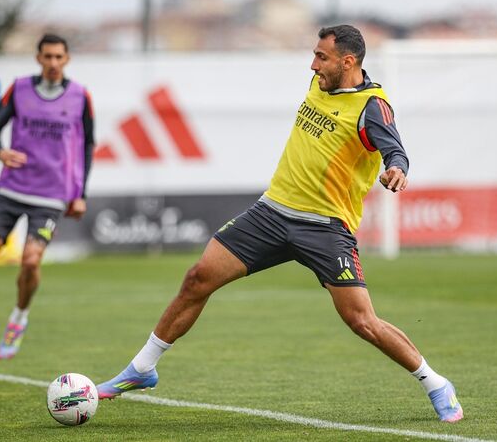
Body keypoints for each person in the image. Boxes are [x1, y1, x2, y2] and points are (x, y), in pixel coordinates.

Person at [96, 25, 463, 423]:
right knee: (197, 278)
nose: (313, 64)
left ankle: (436, 383)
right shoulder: (319, 83)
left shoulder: (371, 106)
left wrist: (396, 169)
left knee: (361, 321)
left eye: (322, 57)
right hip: (271, 213)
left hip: (325, 228)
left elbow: (395, 148)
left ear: (349, 62)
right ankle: (143, 368)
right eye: (314, 55)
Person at [0, 33, 95, 361]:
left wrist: (81, 193)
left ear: (67, 59)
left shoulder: (80, 96)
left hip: (52, 194)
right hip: (11, 188)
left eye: (59, 57)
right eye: (48, 56)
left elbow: (88, 145)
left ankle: (18, 319)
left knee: (31, 260)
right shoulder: (18, 89)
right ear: (38, 58)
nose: (53, 63)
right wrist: (0, 152)